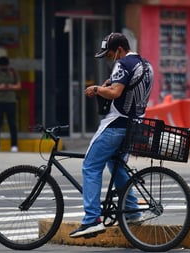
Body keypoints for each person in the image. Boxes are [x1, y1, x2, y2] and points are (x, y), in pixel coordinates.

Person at [69, 32, 154, 238]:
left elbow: (116, 93)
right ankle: (133, 212)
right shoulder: (146, 65)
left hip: (116, 124)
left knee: (90, 166)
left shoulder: (123, 64)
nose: (109, 58)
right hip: (135, 125)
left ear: (119, 50)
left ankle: (91, 219)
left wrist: (97, 89)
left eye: (109, 54)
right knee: (116, 166)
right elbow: (128, 90)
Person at [0, 56, 21, 152]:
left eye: (5, 66)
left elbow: (18, 86)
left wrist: (10, 86)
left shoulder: (13, 72)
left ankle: (14, 145)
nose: (3, 68)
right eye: (2, 66)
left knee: (12, 123)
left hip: (11, 101)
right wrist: (0, 87)